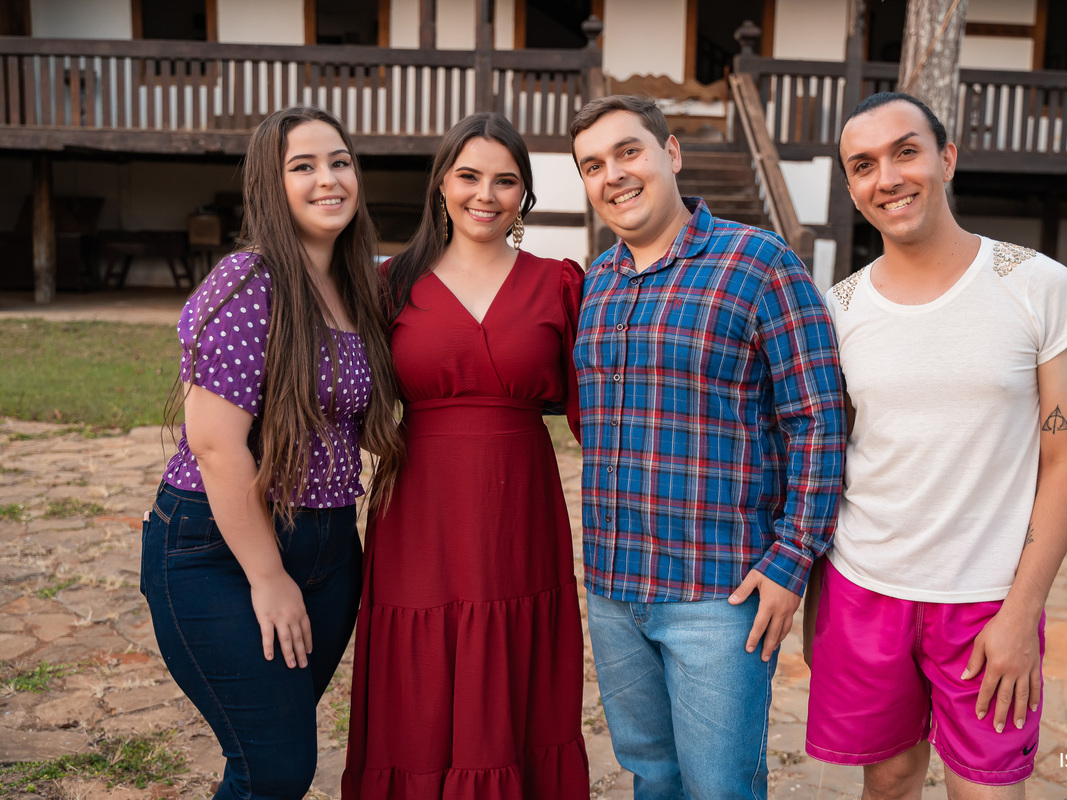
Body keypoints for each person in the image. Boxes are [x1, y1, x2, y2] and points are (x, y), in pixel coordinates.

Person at [806, 92, 1067, 799]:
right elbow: (827, 463)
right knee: (890, 779)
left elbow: (1063, 462)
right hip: (864, 588)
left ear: (947, 158)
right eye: (863, 165)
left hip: (988, 598)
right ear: (851, 186)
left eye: (906, 152)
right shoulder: (837, 310)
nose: (888, 178)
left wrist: (1023, 612)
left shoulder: (1038, 286)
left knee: (986, 789)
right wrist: (818, 598)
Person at [569, 95, 845, 799]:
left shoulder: (759, 263)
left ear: (671, 153)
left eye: (628, 151)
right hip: (613, 587)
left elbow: (818, 418)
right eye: (593, 165)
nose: (613, 175)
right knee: (651, 778)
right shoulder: (597, 283)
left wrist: (793, 558)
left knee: (720, 788)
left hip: (718, 594)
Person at [141, 106, 403, 799]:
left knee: (265, 758)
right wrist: (267, 576)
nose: (329, 179)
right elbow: (216, 445)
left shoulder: (360, 286)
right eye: (303, 167)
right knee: (276, 769)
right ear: (269, 184)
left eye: (340, 162)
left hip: (329, 547)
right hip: (220, 550)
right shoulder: (246, 283)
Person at [340, 112, 589, 800]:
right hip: (418, 510)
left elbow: (599, 414)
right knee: (418, 672)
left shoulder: (560, 283)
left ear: (524, 194)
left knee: (513, 658)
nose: (486, 194)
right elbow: (353, 402)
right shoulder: (389, 283)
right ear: (441, 185)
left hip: (520, 509)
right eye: (469, 176)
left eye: (505, 181)